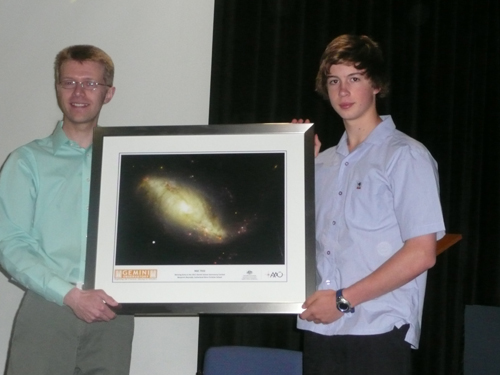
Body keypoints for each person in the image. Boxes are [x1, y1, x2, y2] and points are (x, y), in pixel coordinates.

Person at [296, 34, 445, 374]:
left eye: (355, 78)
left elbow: (422, 253)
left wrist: (343, 301)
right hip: (321, 327)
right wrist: (295, 165)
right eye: (334, 80)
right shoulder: (320, 163)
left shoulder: (405, 156)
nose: (343, 91)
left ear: (376, 84)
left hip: (378, 330)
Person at [0, 45, 134, 375]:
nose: (78, 92)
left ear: (109, 93)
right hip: (49, 308)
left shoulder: (132, 163)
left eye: (90, 83)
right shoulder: (27, 162)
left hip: (112, 312)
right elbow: (10, 243)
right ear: (58, 88)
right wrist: (71, 296)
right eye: (68, 82)